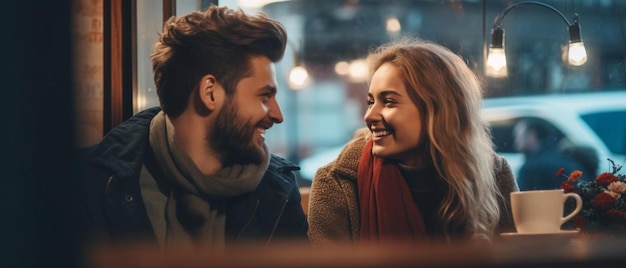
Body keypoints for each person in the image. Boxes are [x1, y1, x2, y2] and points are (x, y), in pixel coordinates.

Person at [75, 5, 308, 249]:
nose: (277, 115)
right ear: (210, 93)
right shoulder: (93, 184)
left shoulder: (277, 190)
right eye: (264, 97)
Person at [307, 37, 518, 245]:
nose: (369, 116)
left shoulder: (494, 176)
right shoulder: (338, 181)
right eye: (370, 102)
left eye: (389, 102)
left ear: (438, 111)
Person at [513, 118, 582, 190]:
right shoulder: (566, 157)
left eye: (518, 136)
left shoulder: (531, 168)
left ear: (532, 135)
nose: (516, 142)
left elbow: (520, 198)